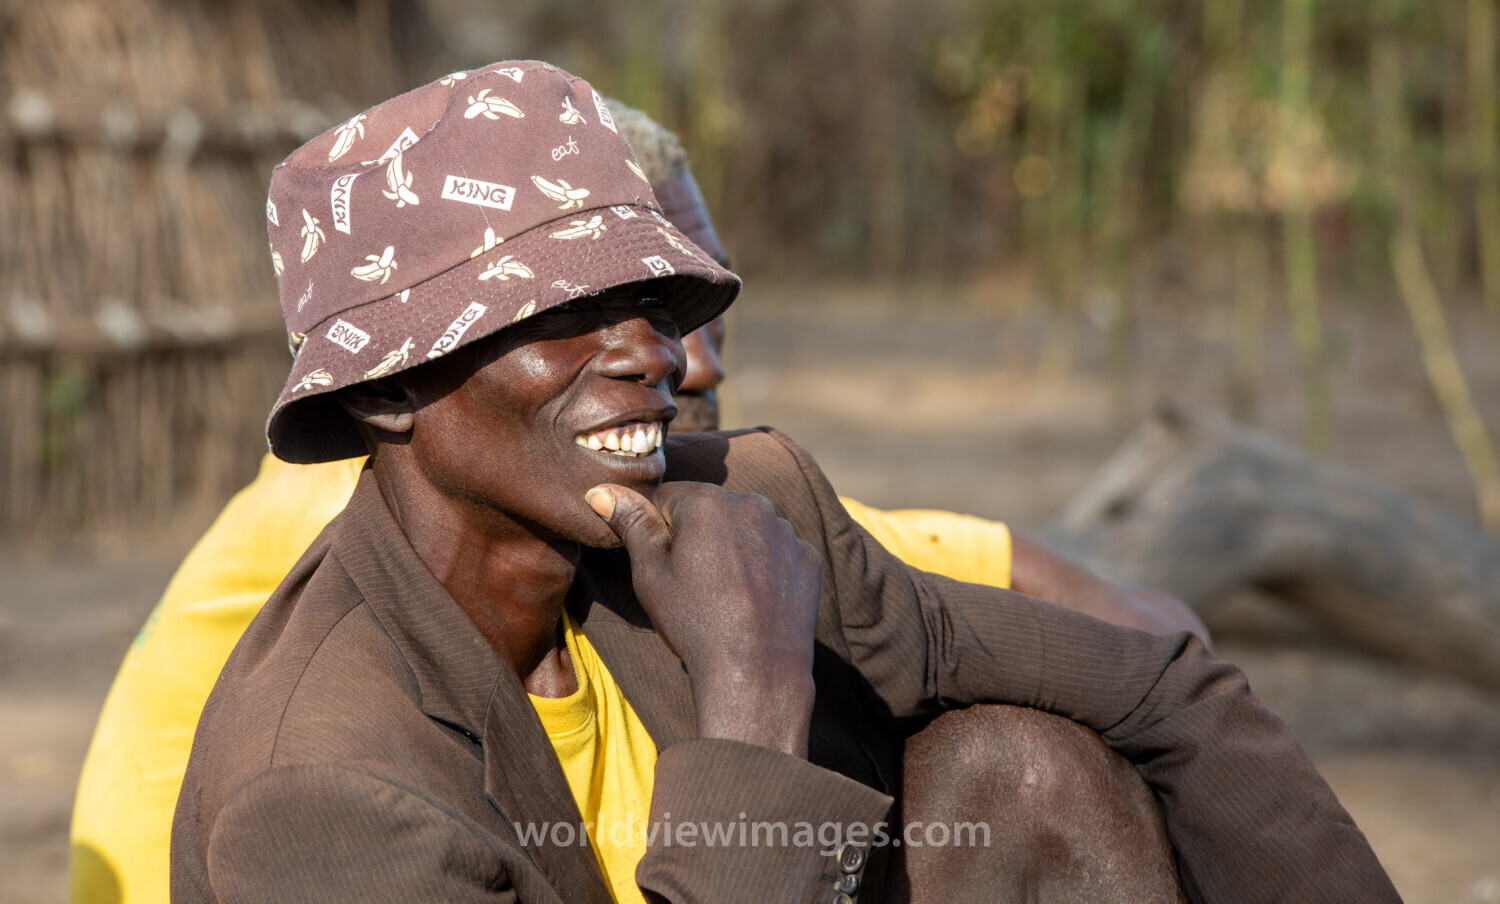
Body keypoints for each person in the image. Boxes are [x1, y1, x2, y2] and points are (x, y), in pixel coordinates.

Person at [166, 60, 1393, 903]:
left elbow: (1169, 684)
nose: (653, 352)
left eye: (645, 300)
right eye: (560, 315)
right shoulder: (321, 791)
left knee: (1017, 772)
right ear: (385, 396)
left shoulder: (742, 508)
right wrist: (752, 693)